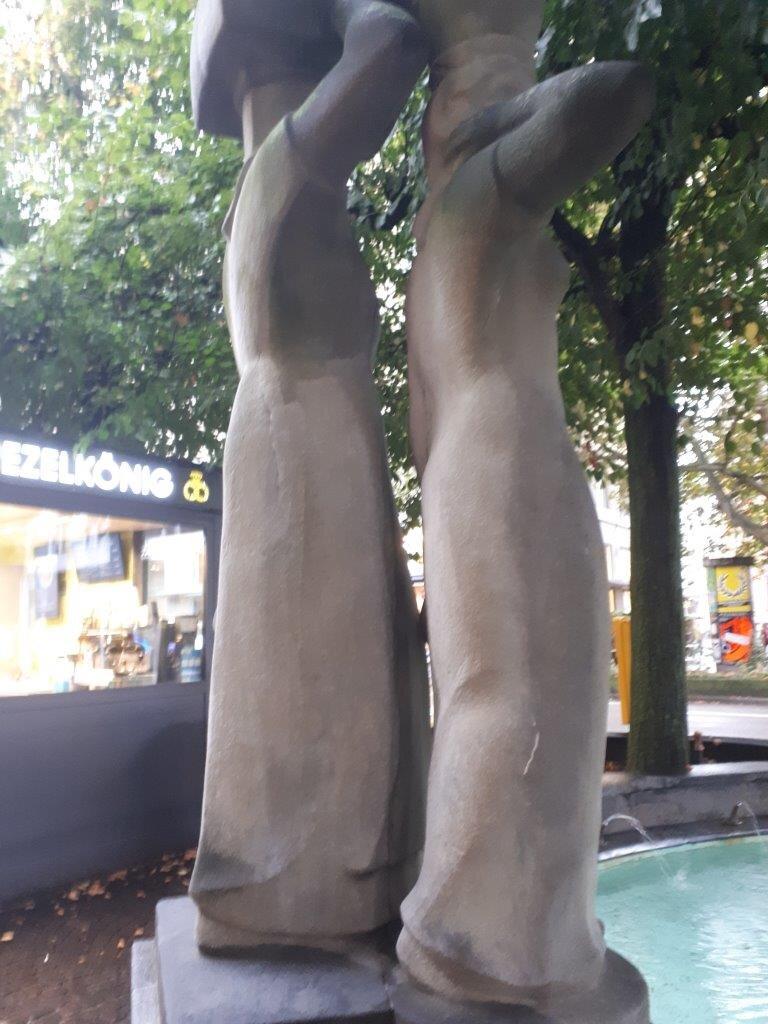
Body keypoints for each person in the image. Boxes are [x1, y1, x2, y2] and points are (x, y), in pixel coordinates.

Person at [398, 0, 654, 1018]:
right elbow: (616, 94)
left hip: (474, 463)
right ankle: (497, 941)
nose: (521, 88)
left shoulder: (440, 234)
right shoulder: (485, 188)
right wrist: (502, 121)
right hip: (511, 457)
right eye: (501, 76)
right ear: (456, 107)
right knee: (534, 693)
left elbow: (420, 419)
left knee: (514, 690)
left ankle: (495, 931)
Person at [189, 0, 431, 955]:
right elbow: (392, 43)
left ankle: (317, 883)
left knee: (335, 691)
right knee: (329, 691)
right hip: (305, 448)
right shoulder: (283, 175)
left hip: (306, 440)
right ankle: (305, 891)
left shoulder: (261, 200)